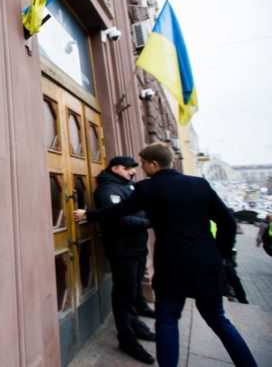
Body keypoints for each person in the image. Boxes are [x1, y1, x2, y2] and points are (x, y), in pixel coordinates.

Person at [73, 142, 257, 367]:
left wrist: (88, 214)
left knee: (168, 320)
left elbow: (120, 211)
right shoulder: (199, 184)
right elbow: (227, 222)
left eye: (143, 163)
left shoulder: (148, 188)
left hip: (172, 264)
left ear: (153, 164)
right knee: (218, 319)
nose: (141, 168)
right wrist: (221, 253)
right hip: (207, 261)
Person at [94, 156, 156, 364]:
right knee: (124, 294)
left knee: (133, 291)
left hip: (137, 247)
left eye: (133, 168)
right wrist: (148, 222)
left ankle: (135, 324)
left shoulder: (128, 186)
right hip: (122, 250)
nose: (132, 171)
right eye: (127, 168)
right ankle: (127, 338)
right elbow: (118, 220)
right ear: (115, 168)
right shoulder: (108, 190)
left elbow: (141, 210)